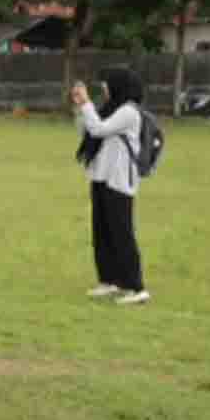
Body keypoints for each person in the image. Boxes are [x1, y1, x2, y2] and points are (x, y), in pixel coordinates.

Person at [71, 67, 150, 306]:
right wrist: (80, 107)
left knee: (122, 233)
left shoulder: (129, 112)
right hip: (101, 176)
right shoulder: (112, 109)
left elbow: (99, 129)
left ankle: (135, 287)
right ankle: (109, 280)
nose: (103, 88)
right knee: (102, 232)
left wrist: (86, 104)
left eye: (107, 84)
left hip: (119, 181)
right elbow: (86, 130)